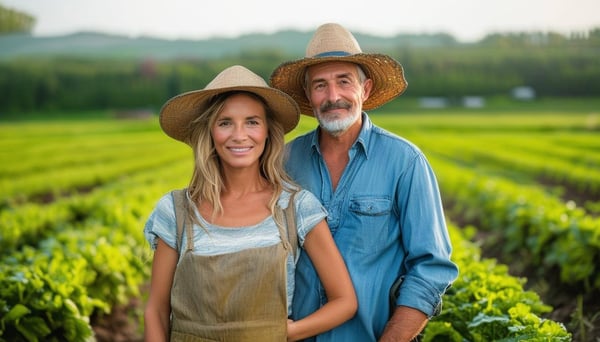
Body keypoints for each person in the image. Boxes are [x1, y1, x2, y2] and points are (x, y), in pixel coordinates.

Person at [270, 23, 459, 342]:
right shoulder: (285, 162)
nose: (333, 97)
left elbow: (431, 268)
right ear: (308, 95)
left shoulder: (405, 162)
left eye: (344, 82)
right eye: (320, 85)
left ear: (366, 89)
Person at [143, 65, 357, 342]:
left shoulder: (296, 208)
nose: (239, 135)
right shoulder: (176, 211)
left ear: (268, 131)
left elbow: (345, 301)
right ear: (209, 132)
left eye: (252, 122)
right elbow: (156, 311)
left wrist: (285, 332)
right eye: (225, 122)